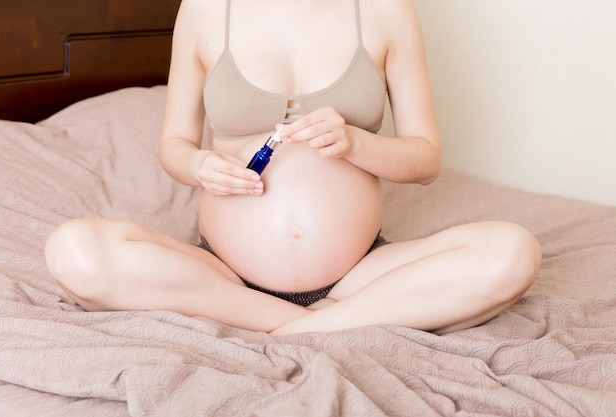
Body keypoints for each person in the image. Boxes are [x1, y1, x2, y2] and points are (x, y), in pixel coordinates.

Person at [44, 0, 541, 335]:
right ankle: (322, 326)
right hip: (222, 275)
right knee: (74, 251)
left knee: (513, 252)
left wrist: (355, 143)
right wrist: (199, 165)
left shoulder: (385, 9)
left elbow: (426, 159)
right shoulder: (206, 9)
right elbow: (174, 145)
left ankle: (288, 333)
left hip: (359, 273)